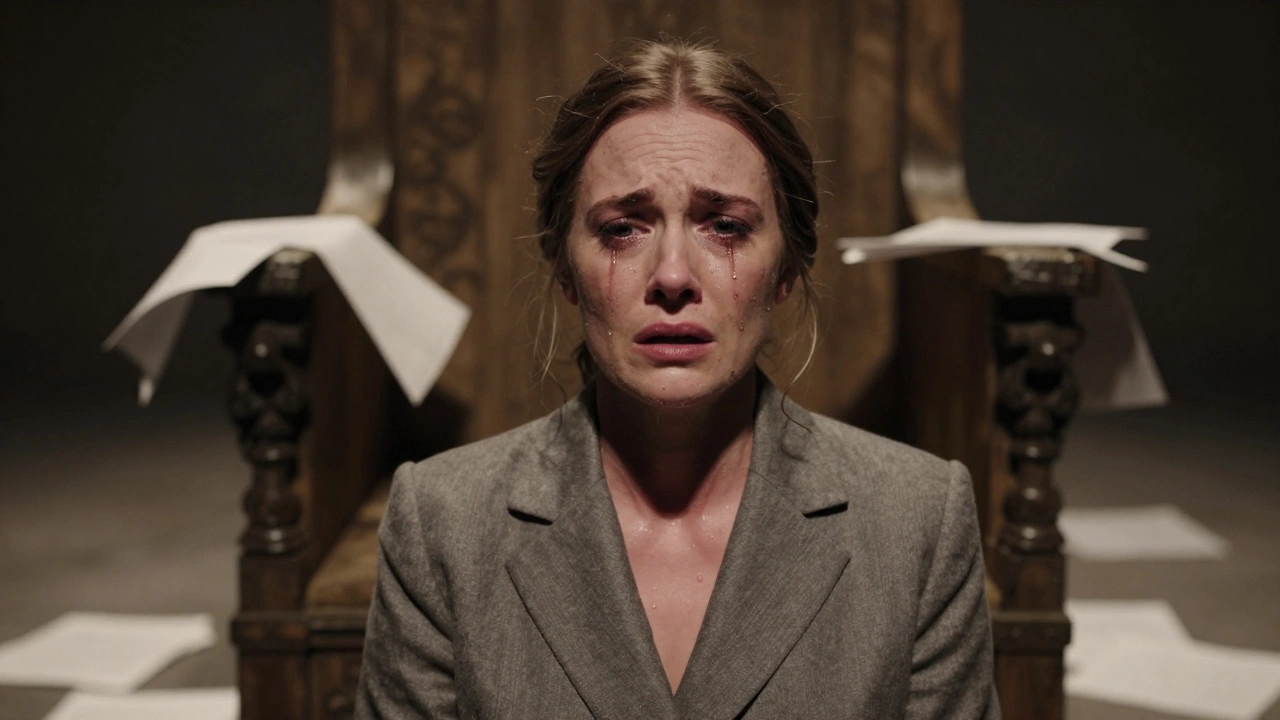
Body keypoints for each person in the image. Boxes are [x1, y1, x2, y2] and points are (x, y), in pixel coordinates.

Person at [356, 39, 999, 719]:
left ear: (785, 269)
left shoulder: (917, 523)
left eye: (724, 226)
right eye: (622, 229)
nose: (671, 277)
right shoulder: (443, 526)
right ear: (565, 270)